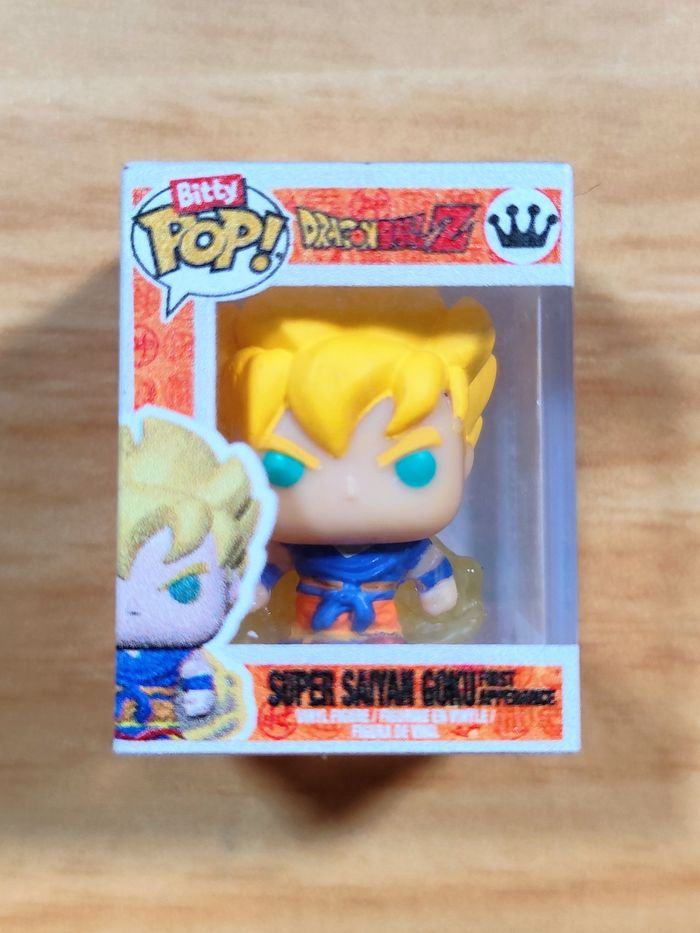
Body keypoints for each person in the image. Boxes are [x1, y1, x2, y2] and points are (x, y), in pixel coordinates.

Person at [221, 287, 496, 643]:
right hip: (308, 637)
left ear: (464, 459)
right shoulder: (295, 549)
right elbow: (268, 570)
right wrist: (254, 588)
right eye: (284, 466)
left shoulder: (407, 551)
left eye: (414, 465)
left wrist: (438, 590)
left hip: (382, 636)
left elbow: (431, 570)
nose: (350, 489)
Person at [115, 415, 260, 739]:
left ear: (230, 588)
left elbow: (198, 679)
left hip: (166, 733)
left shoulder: (188, 658)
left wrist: (200, 694)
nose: (135, 607)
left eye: (184, 588)